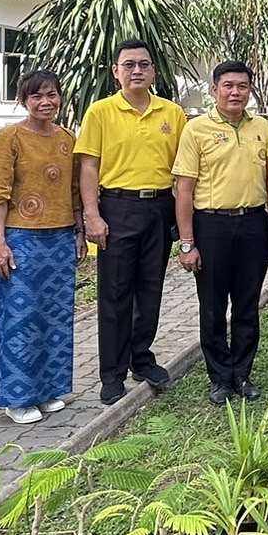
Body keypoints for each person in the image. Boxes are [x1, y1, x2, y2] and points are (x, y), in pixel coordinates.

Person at [77, 39, 187, 405]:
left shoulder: (172, 113)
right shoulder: (100, 112)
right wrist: (92, 215)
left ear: (153, 71)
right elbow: (88, 167)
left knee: (150, 291)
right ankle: (112, 373)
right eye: (129, 65)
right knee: (115, 294)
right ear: (116, 72)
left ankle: (141, 357)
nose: (136, 70)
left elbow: (184, 170)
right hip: (117, 208)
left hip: (159, 207)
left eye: (143, 64)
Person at [0, 70, 85, 425]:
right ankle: (16, 396)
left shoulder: (68, 138)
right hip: (20, 237)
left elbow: (74, 191)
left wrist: (78, 231)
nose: (45, 102)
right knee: (19, 317)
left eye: (51, 95)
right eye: (36, 96)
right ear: (24, 100)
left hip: (59, 237)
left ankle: (48, 389)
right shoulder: (8, 138)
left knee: (55, 316)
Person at [174, 61, 268, 404]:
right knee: (213, 306)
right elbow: (184, 190)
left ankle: (243, 374)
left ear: (250, 90)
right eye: (228, 85)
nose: (235, 92)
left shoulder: (262, 127)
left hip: (253, 225)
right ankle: (219, 377)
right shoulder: (197, 130)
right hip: (211, 225)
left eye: (242, 86)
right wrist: (187, 243)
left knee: (247, 303)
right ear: (214, 89)